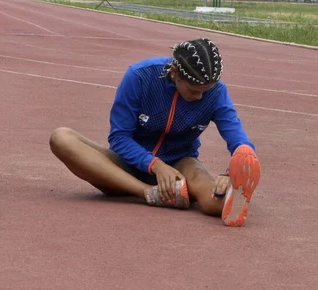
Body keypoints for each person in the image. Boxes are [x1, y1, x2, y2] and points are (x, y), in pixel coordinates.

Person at [49, 38, 261, 227]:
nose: (199, 98)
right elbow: (119, 137)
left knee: (215, 197)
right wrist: (155, 165)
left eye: (205, 92)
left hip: (180, 166)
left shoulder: (216, 93)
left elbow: (239, 140)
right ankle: (149, 193)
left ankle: (231, 196)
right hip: (124, 167)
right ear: (174, 73)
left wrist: (230, 173)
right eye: (194, 91)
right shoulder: (140, 77)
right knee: (61, 137)